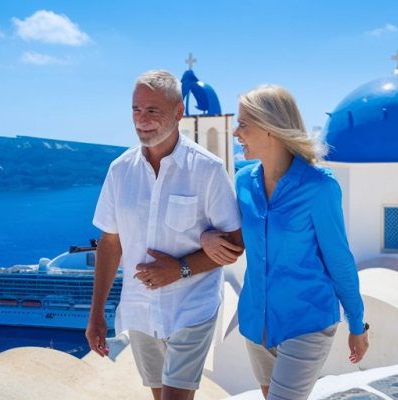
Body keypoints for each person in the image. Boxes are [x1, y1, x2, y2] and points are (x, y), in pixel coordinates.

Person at [201, 85, 368, 400]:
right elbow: (230, 235)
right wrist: (205, 237)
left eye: (244, 124)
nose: (236, 132)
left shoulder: (319, 188)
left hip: (307, 322)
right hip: (256, 322)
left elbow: (339, 259)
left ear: (270, 129)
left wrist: (357, 324)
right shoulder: (243, 182)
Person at [86, 70, 244, 400]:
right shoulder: (119, 170)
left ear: (178, 113)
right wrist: (96, 313)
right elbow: (110, 243)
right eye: (136, 110)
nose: (142, 120)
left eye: (153, 111)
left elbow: (235, 245)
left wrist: (180, 269)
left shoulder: (208, 170)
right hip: (140, 310)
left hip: (192, 307)